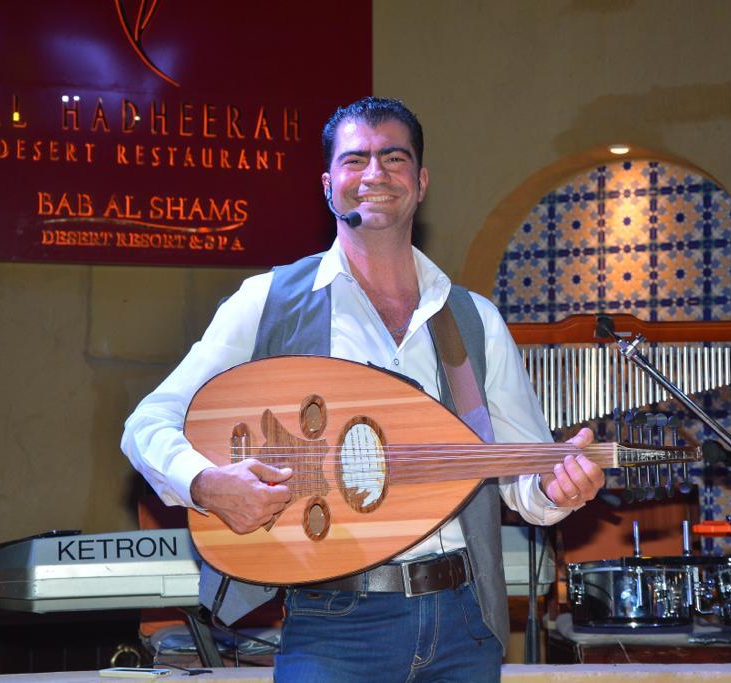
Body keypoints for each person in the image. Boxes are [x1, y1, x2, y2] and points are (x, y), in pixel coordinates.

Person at [121, 96, 605, 681]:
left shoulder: (473, 320)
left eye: (394, 158)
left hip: (463, 622)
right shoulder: (269, 301)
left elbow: (522, 478)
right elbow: (148, 423)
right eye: (355, 160)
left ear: (420, 183)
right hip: (334, 626)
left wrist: (559, 488)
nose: (375, 173)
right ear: (328, 185)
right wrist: (205, 483)